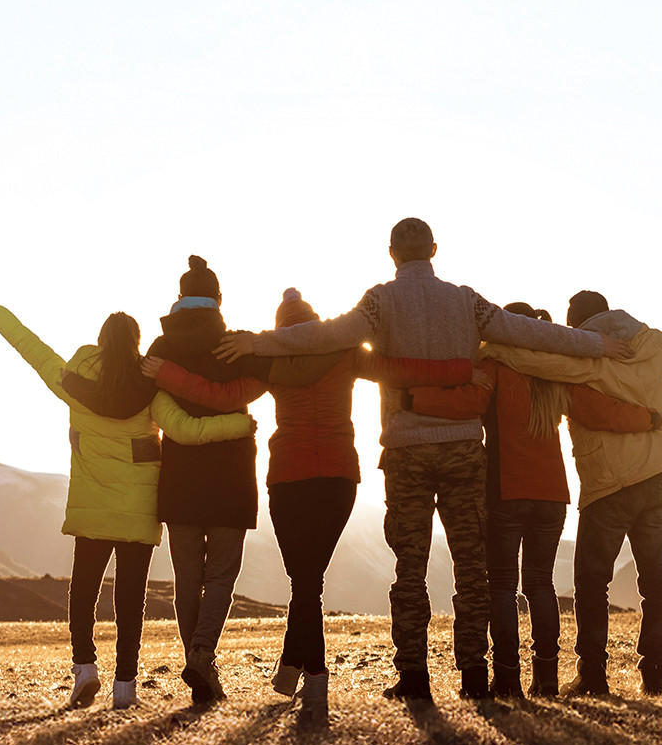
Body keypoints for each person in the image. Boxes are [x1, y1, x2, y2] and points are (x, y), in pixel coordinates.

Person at [216, 217, 627, 704]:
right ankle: (474, 675)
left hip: (407, 451)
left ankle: (413, 678)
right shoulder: (465, 300)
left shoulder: (379, 301)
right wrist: (598, 344)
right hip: (461, 448)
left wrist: (259, 341)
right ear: (434, 249)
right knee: (471, 568)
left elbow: (325, 336)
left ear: (392, 253)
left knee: (408, 568)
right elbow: (529, 334)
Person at [144, 288, 471, 704]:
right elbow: (401, 370)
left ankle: (308, 673)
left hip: (289, 477)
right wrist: (460, 368)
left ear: (283, 332)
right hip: (338, 478)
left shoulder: (273, 362)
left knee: (304, 582)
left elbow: (219, 397)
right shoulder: (346, 352)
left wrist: (167, 374)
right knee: (307, 582)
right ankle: (296, 670)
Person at [0, 289, 253, 711]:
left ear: (100, 342)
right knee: (129, 600)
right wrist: (238, 424)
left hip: (91, 509)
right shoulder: (150, 391)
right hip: (138, 512)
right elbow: (186, 431)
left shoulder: (71, 381)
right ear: (136, 344)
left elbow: (31, 347)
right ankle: (126, 686)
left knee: (83, 591)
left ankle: (85, 669)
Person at [480, 268, 662, 695]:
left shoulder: (583, 358)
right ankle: (656, 677)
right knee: (656, 581)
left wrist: (491, 345)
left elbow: (535, 359)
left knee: (592, 583)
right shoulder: (657, 345)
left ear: (575, 327)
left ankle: (592, 675)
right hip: (656, 477)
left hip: (609, 485)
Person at [408, 303, 662, 697]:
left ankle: (508, 678)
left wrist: (412, 399)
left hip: (506, 490)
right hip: (553, 496)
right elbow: (602, 411)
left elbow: (465, 402)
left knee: (502, 585)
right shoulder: (556, 375)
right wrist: (651, 419)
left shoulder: (496, 367)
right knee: (540, 584)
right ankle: (546, 678)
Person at [127, 255, 268, 705]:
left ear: (180, 299)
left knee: (188, 576)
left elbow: (138, 403)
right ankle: (203, 653)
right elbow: (261, 381)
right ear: (219, 300)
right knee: (223, 572)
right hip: (229, 476)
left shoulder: (160, 350)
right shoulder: (235, 346)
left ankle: (197, 658)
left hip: (180, 477)